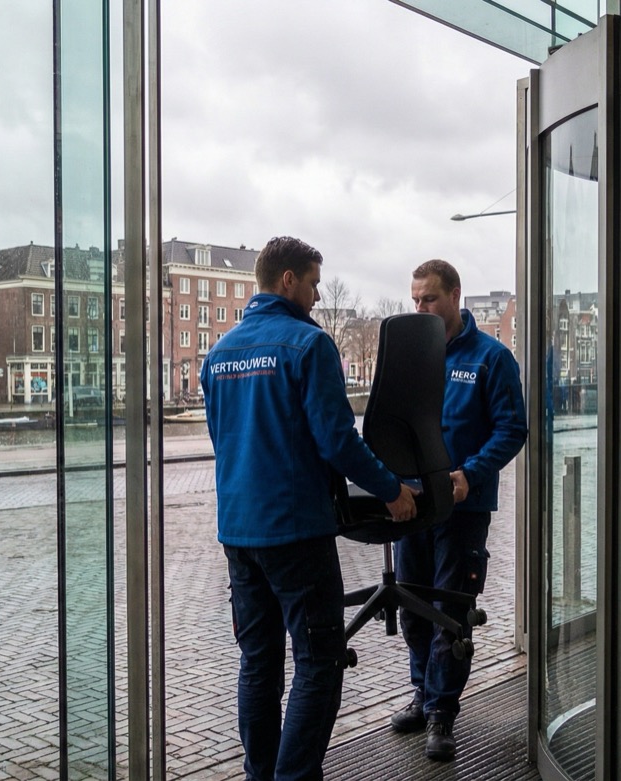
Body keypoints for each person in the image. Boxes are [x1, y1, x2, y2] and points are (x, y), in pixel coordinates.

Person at [201, 235, 418, 781]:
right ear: (288, 281)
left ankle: (261, 774)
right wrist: (391, 490)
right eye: (315, 284)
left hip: (239, 533)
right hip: (295, 531)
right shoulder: (308, 345)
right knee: (319, 662)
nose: (319, 297)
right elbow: (338, 441)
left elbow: (224, 438)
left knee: (258, 664)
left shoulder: (219, 352)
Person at [391, 259, 528, 762]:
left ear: (455, 296)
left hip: (463, 508)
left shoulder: (493, 358)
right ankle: (423, 694)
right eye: (414, 300)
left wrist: (470, 474)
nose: (420, 308)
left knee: (450, 611)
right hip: (413, 505)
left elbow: (512, 429)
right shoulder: (414, 356)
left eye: (428, 298)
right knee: (412, 605)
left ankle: (442, 715)